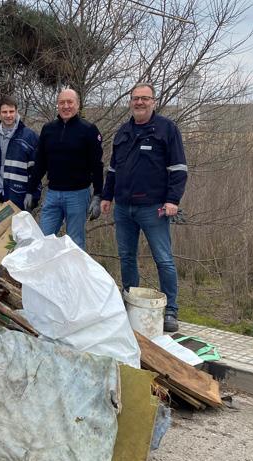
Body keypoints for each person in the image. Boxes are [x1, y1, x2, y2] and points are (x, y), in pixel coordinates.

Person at [101, 82, 188, 332]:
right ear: (130, 101)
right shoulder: (123, 131)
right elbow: (113, 168)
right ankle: (130, 303)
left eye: (145, 98)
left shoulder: (166, 129)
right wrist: (107, 196)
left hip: (154, 208)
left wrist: (173, 200)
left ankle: (170, 310)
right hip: (123, 207)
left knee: (163, 259)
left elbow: (179, 168)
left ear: (153, 101)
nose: (139, 102)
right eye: (135, 98)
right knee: (127, 257)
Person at [29, 88, 104, 251]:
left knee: (75, 244)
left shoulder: (89, 130)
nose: (66, 106)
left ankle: (75, 269)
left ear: (77, 104)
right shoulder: (48, 129)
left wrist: (98, 195)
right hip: (53, 194)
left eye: (70, 102)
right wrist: (30, 190)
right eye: (62, 102)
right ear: (57, 105)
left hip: (78, 195)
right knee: (43, 240)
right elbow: (40, 163)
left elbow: (97, 165)